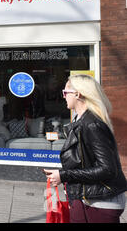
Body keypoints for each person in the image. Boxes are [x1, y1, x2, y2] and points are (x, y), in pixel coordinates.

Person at [44, 74, 126, 223]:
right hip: (87, 199)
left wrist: (64, 175)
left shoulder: (92, 124)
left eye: (65, 92)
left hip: (99, 202)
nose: (63, 97)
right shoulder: (82, 121)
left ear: (78, 94)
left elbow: (107, 169)